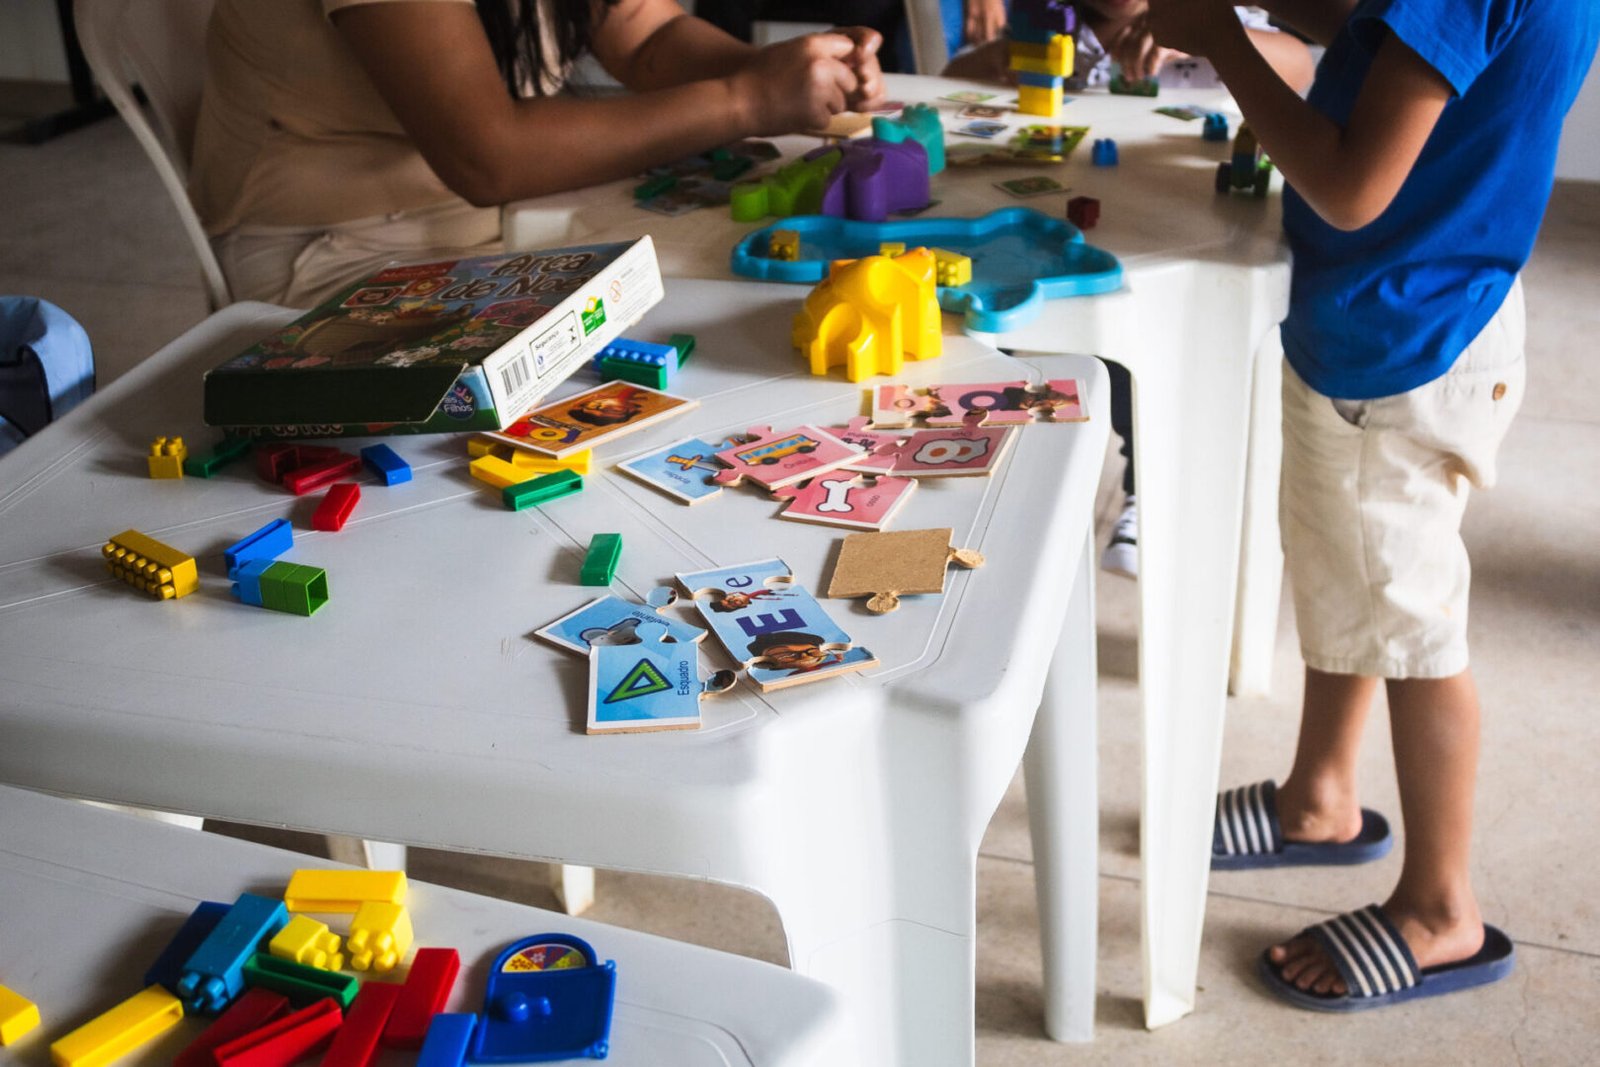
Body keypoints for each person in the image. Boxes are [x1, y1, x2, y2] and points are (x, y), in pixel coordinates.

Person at [1146, 0, 1599, 1010]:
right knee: (1346, 571)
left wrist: (1221, 38)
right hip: (1419, 315)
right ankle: (1319, 793)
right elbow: (1392, 36)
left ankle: (1442, 909)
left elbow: (1352, 187)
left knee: (1410, 624)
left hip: (1397, 340)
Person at [191, 0, 885, 308]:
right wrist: (746, 99)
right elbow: (489, 157)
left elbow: (643, 36)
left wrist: (781, 71)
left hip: (503, 216)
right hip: (335, 257)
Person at [944, 3, 1312, 579]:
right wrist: (1002, 61)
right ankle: (1015, 481)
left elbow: (1298, 67)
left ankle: (1147, 490)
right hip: (1069, 234)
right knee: (1027, 355)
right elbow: (959, 76)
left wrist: (1216, 38)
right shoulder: (1053, 18)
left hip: (1180, 234)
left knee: (1158, 378)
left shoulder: (1213, 15)